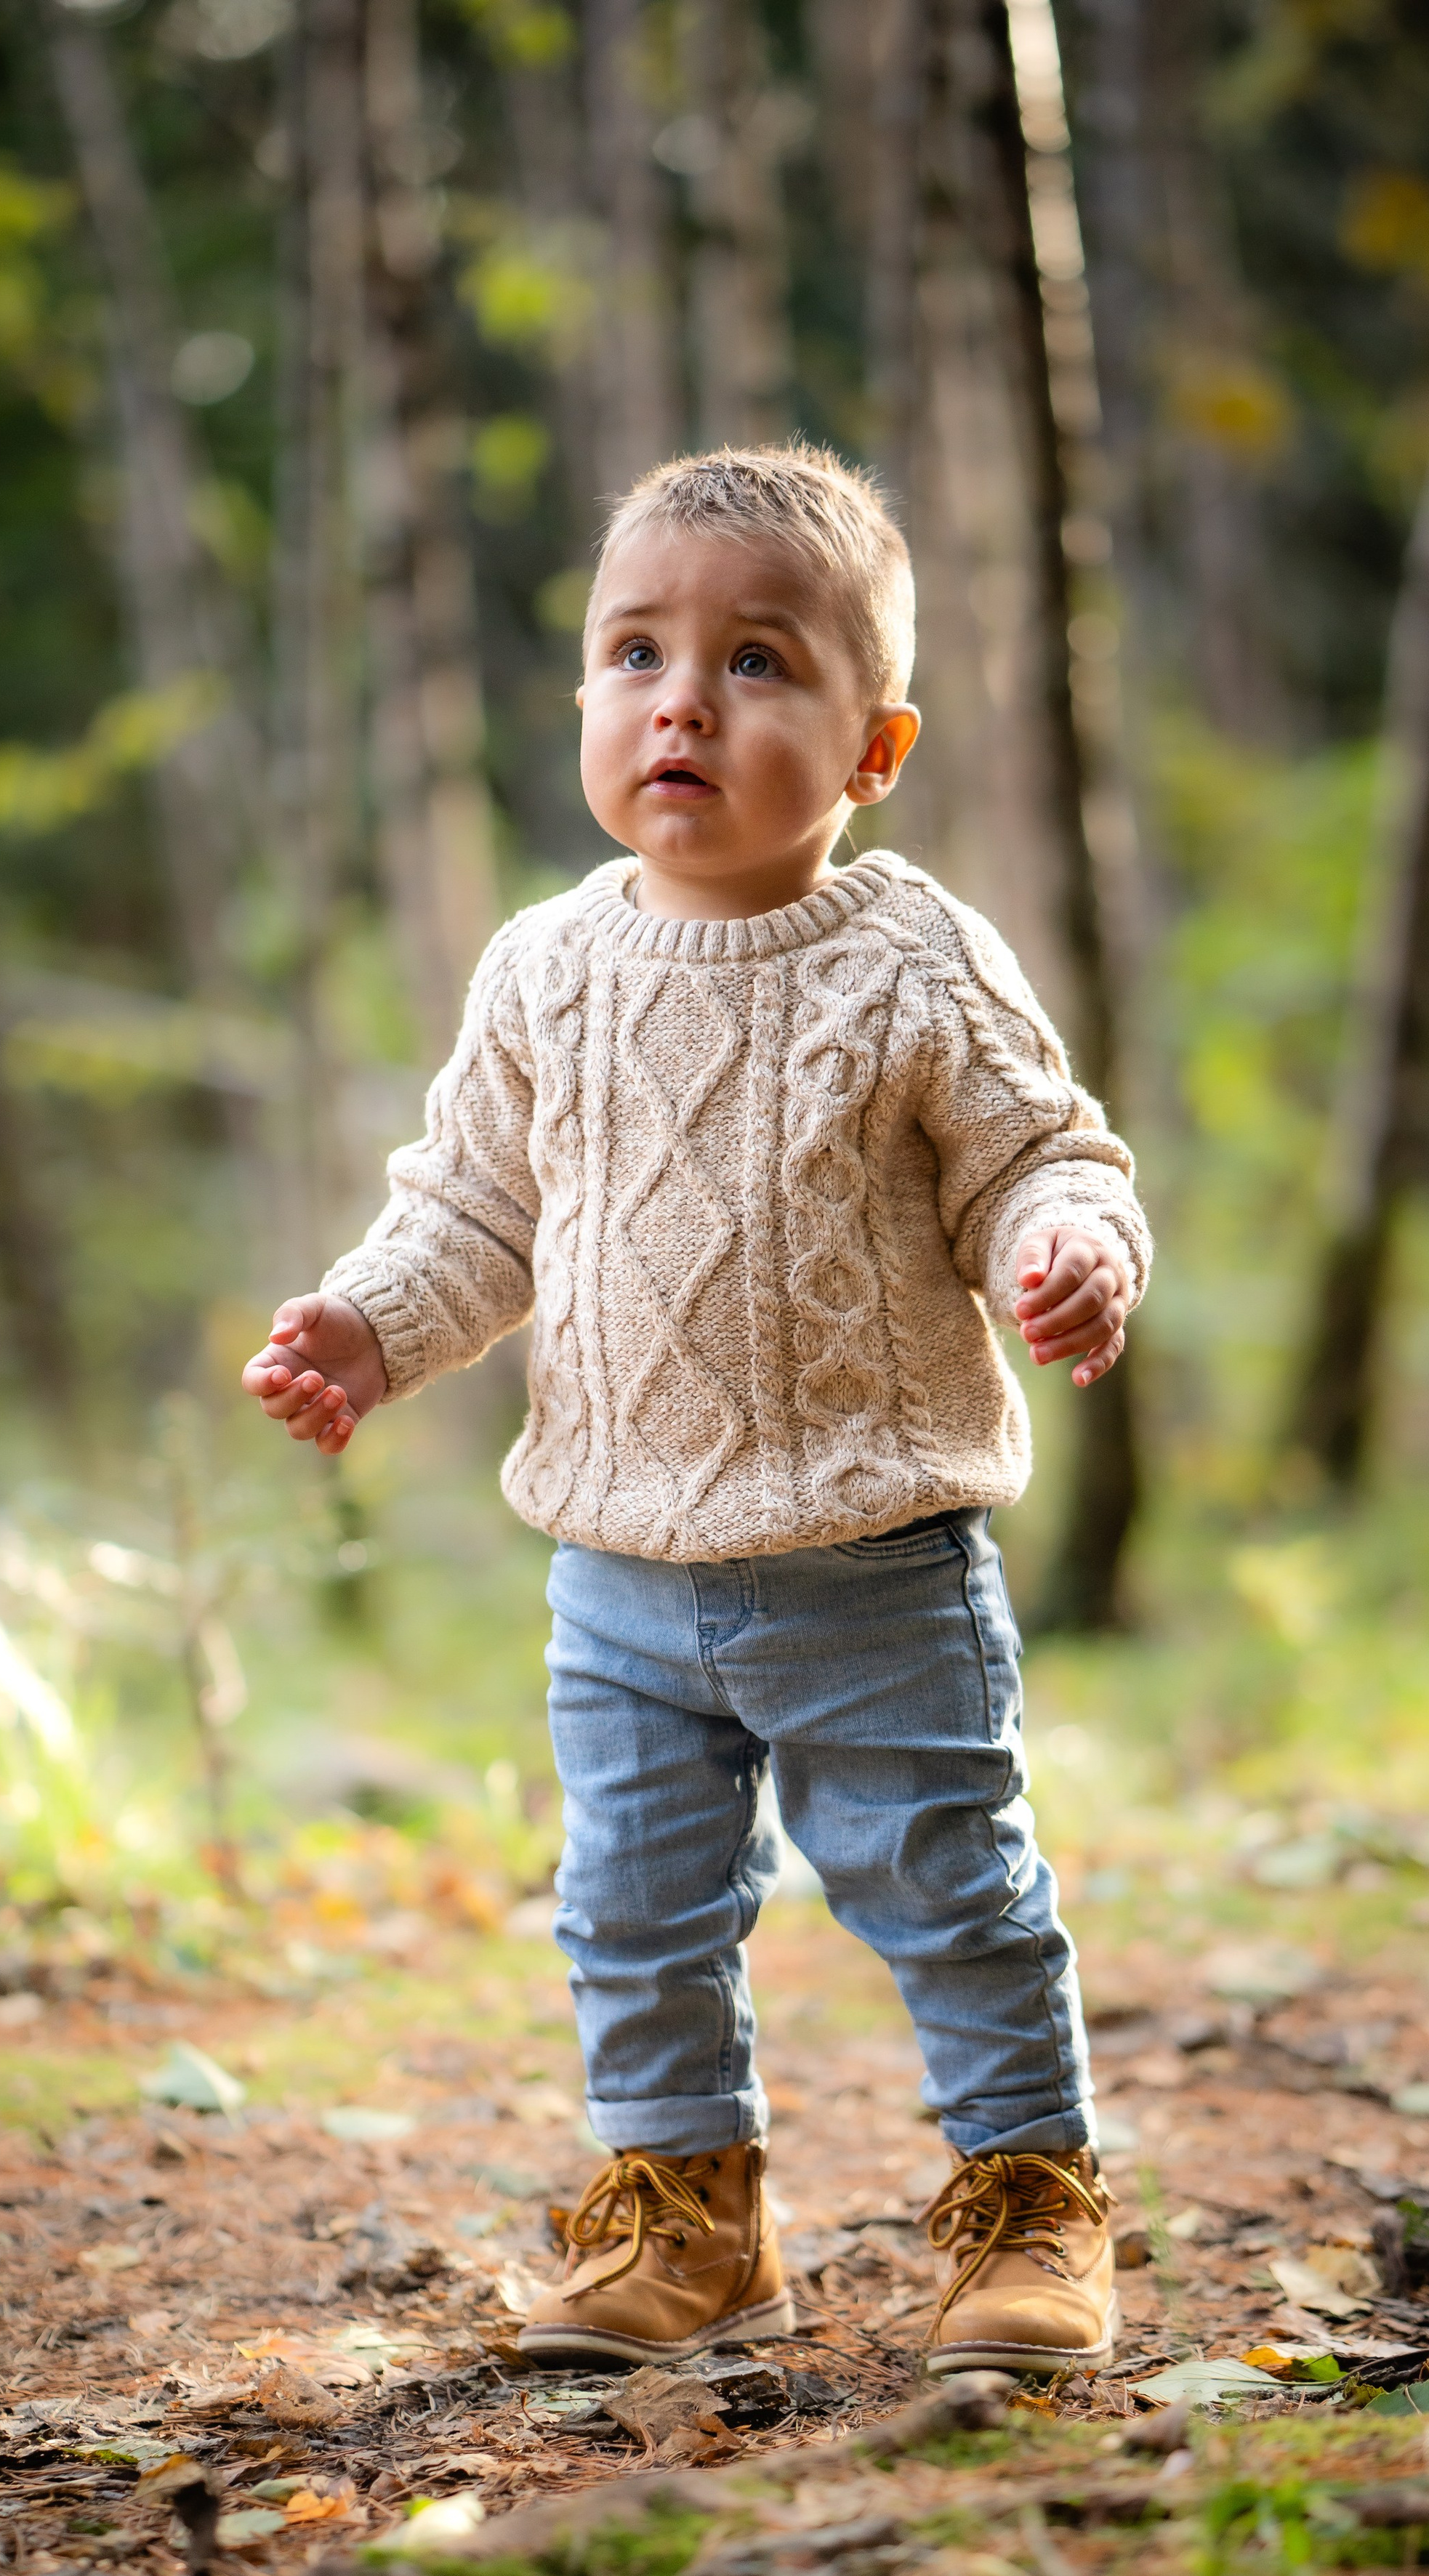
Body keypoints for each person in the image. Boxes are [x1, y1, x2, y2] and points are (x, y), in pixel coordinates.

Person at [243, 443, 1150, 2377]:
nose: (682, 702)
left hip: (876, 1565)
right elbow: (475, 1215)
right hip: (618, 1579)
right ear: (583, 695)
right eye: (636, 653)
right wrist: (371, 1329)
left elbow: (1037, 1158)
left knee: (953, 1892)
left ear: (874, 747)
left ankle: (1028, 2201)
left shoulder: (915, 959)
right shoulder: (546, 969)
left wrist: (1070, 1243)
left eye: (756, 662)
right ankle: (689, 2216)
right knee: (633, 1913)